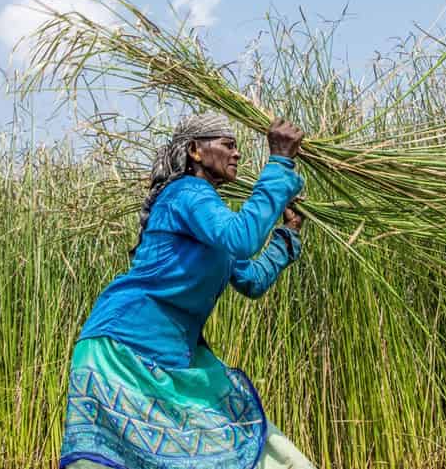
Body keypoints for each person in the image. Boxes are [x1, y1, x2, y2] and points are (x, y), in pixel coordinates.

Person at [59, 113, 317, 469]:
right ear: (195, 150)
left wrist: (288, 235)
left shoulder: (207, 216)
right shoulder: (185, 193)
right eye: (228, 145)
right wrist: (279, 162)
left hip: (171, 358)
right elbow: (242, 238)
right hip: (125, 350)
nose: (237, 153)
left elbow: (253, 280)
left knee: (237, 441)